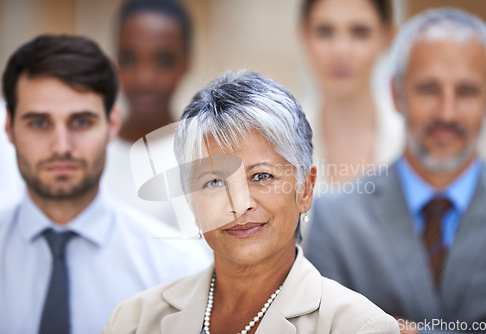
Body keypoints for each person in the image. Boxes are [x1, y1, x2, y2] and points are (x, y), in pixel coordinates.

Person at [103, 71, 399, 334]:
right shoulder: (133, 322)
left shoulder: (360, 327)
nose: (239, 204)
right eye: (214, 182)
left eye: (261, 176)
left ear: (305, 189)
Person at [0, 34, 211, 334]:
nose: (61, 146)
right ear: (8, 127)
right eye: (38, 123)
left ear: (112, 124)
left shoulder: (178, 270)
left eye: (81, 122)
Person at [306, 8, 486, 333]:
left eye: (466, 91)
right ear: (396, 94)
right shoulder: (336, 221)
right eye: (428, 89)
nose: (447, 113)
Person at [102, 0, 193, 228]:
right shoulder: (89, 150)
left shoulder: (200, 155)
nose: (144, 77)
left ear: (186, 63)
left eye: (163, 61)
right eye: (129, 59)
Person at [300, 0, 404, 186]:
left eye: (360, 32)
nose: (341, 50)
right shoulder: (278, 144)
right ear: (304, 35)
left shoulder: (410, 141)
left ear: (388, 37)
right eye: (325, 31)